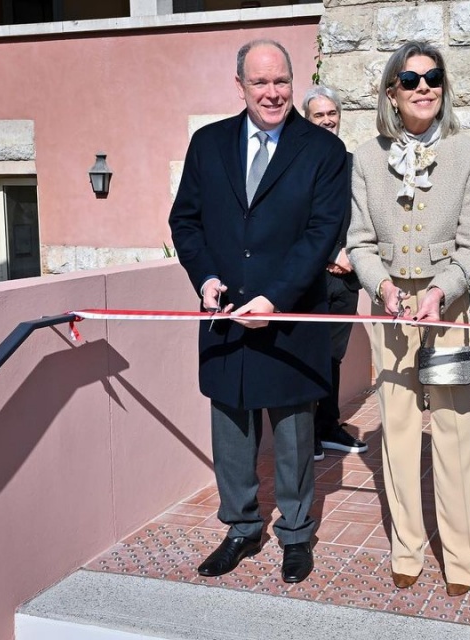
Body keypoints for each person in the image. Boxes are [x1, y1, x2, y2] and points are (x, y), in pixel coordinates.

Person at [168, 39, 348, 584]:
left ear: (293, 83)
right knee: (231, 430)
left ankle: (296, 535)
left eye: (281, 81)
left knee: (294, 434)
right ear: (240, 86)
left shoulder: (322, 151)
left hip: (288, 317)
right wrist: (205, 279)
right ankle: (242, 528)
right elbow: (186, 222)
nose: (272, 93)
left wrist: (275, 296)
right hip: (224, 315)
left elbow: (322, 235)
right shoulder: (208, 144)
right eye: (260, 82)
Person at [347, 41, 470, 598]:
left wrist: (441, 289)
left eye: (433, 78)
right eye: (411, 79)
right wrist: (380, 285)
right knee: (399, 431)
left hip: (447, 309)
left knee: (455, 433)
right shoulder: (365, 157)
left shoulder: (469, 154)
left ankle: (459, 555)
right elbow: (358, 243)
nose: (424, 86)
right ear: (392, 92)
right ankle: (406, 546)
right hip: (389, 311)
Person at [301, 85, 369, 462]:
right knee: (310, 353)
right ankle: (305, 432)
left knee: (333, 356)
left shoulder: (354, 164)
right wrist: (329, 254)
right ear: (307, 119)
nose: (327, 120)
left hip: (346, 277)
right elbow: (296, 222)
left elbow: (368, 216)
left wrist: (352, 258)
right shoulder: (294, 164)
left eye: (332, 114)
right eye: (318, 115)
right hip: (311, 277)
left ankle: (328, 426)